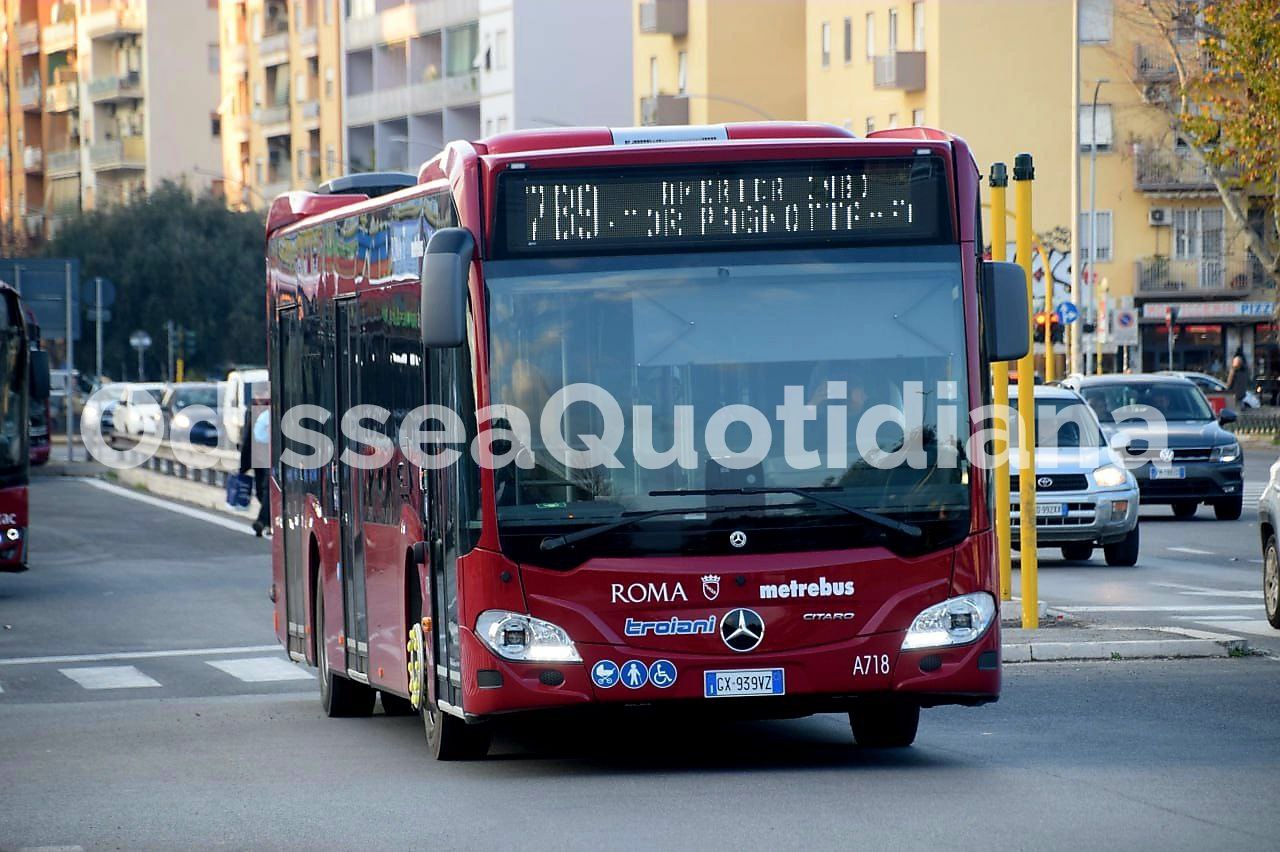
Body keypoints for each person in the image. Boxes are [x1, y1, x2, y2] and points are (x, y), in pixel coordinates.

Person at [239, 386, 271, 537]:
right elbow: (247, 437)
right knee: (260, 491)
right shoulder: (252, 410)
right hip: (258, 457)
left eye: (263, 393)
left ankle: (262, 521)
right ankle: (269, 520)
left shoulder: (274, 409)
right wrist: (244, 463)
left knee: (266, 489)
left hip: (271, 456)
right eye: (258, 394)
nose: (261, 397)